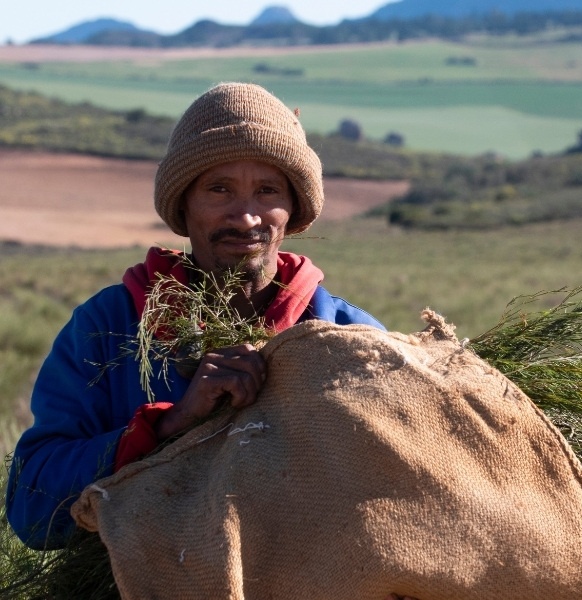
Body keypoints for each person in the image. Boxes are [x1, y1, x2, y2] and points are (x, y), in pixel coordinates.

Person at [5, 82, 386, 551]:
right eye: (218, 189)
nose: (246, 217)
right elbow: (32, 507)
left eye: (267, 190)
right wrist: (170, 424)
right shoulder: (107, 326)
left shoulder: (350, 336)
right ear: (184, 206)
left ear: (293, 209)